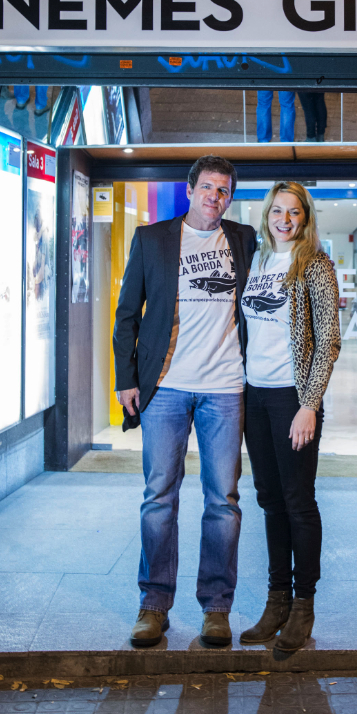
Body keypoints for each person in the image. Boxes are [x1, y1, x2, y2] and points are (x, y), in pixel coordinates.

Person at [113, 155, 257, 649]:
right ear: (190, 189)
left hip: (225, 388)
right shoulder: (152, 239)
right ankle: (154, 605)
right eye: (208, 188)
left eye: (224, 191)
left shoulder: (244, 240)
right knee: (159, 498)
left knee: (223, 502)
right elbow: (127, 312)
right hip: (166, 388)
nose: (215, 198)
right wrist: (125, 378)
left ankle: (217, 608)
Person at [239, 182, 340, 652]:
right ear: (267, 214)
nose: (284, 219)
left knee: (299, 502)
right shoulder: (256, 260)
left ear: (305, 217)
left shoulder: (314, 266)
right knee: (269, 501)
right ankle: (276, 600)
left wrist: (308, 404)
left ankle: (303, 606)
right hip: (254, 397)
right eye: (276, 210)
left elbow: (329, 341)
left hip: (291, 398)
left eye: (293, 212)